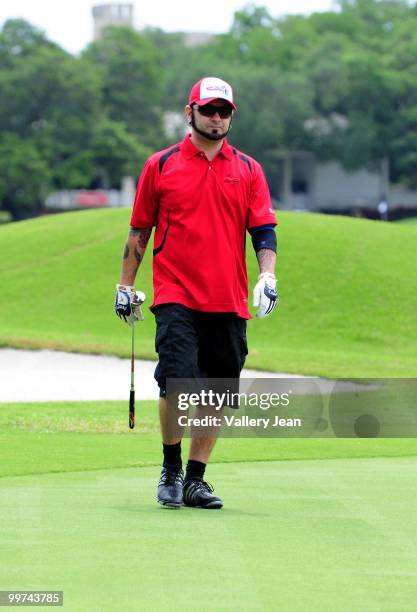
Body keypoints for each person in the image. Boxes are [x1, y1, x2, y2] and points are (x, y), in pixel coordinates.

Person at [115, 76, 278, 510]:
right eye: (209, 110)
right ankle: (170, 469)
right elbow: (139, 229)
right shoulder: (161, 164)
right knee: (176, 381)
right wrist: (124, 287)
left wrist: (268, 277)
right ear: (191, 113)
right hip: (175, 294)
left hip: (227, 297)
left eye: (224, 111)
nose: (217, 117)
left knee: (218, 391)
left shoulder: (247, 169)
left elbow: (262, 229)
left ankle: (195, 479)